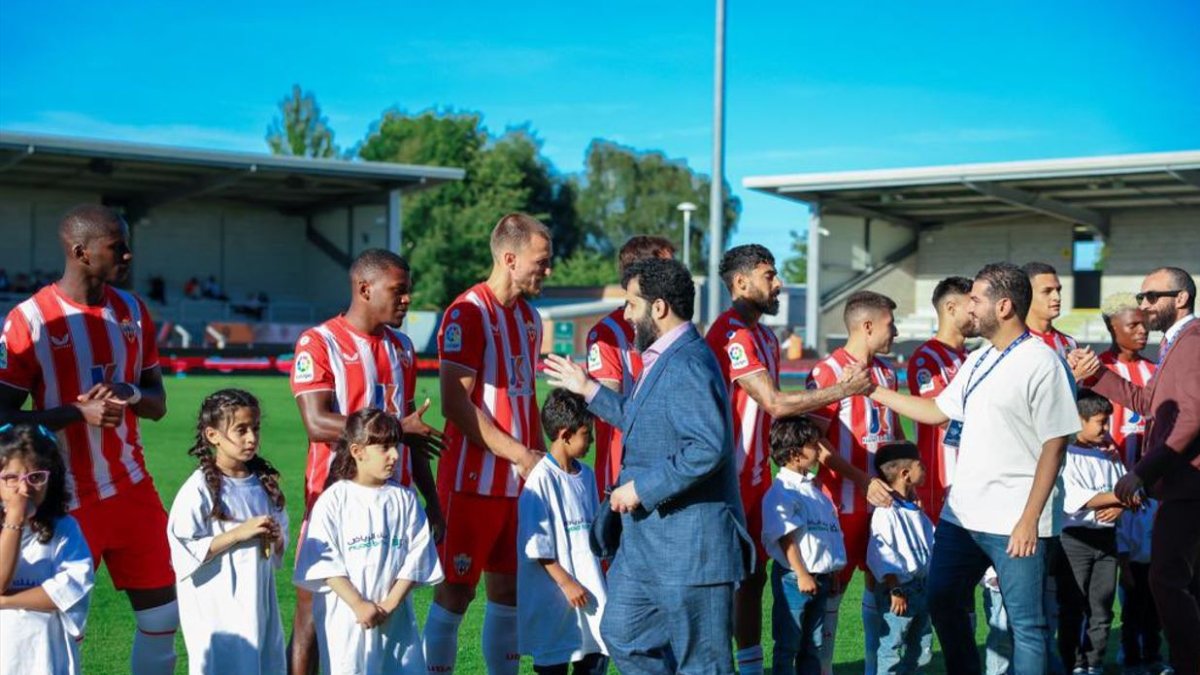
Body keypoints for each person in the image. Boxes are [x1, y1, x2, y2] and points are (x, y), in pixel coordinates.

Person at [867, 262, 1080, 674]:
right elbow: (935, 410)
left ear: (1003, 306)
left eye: (977, 299)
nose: (969, 306)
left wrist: (1029, 519)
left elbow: (1055, 446)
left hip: (1015, 520)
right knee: (943, 599)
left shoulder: (1041, 361)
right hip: (962, 516)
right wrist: (873, 389)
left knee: (1027, 626)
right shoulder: (980, 359)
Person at [544, 257, 753, 674]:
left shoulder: (691, 361)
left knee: (704, 665)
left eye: (631, 304)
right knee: (622, 634)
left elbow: (708, 448)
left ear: (658, 308)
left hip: (691, 548)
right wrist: (588, 389)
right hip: (647, 546)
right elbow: (645, 423)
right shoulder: (662, 356)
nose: (625, 313)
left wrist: (640, 489)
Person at [0, 204, 177, 674]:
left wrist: (130, 390)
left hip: (131, 489)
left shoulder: (133, 311)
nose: (128, 254)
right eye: (116, 246)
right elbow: (1, 416)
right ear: (81, 252)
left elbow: (158, 403)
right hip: (62, 501)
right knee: (60, 629)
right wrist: (77, 412)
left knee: (163, 618)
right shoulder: (29, 320)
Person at [706, 244, 879, 675]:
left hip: (761, 478)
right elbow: (775, 403)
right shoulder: (729, 333)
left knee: (755, 578)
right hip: (723, 479)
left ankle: (751, 667)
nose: (778, 282)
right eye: (769, 275)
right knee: (719, 583)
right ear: (741, 283)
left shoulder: (765, 336)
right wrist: (842, 391)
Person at [289, 249, 442, 675]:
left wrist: (432, 501)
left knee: (387, 614)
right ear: (364, 288)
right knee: (311, 621)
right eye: (398, 290)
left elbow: (412, 435)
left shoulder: (403, 349)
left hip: (394, 505)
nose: (407, 299)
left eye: (408, 290)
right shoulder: (318, 342)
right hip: (332, 502)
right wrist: (397, 426)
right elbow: (316, 421)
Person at [425, 213, 552, 675]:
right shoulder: (467, 313)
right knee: (457, 591)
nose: (548, 270)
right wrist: (521, 454)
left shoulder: (529, 317)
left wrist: (544, 462)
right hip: (471, 481)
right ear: (510, 258)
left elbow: (525, 398)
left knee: (510, 591)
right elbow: (454, 404)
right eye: (542, 261)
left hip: (518, 485)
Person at [1072, 266, 1200, 675]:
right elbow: (1149, 402)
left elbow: (1191, 418)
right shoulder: (1177, 343)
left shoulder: (1193, 342)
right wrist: (1095, 376)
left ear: (1180, 298)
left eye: (1151, 297)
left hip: (1187, 485)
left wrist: (1143, 472)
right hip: (1182, 485)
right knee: (1180, 582)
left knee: (1167, 581)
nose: (1143, 306)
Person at [294, 409, 444, 674]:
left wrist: (390, 603)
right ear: (357, 451)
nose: (395, 456)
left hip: (396, 620)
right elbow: (324, 563)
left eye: (396, 446)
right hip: (347, 620)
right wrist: (358, 604)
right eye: (385, 448)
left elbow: (417, 557)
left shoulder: (405, 499)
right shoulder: (333, 500)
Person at [805, 289, 905, 673]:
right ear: (867, 326)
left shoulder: (886, 374)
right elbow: (816, 444)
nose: (894, 332)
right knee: (833, 592)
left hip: (881, 504)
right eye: (889, 325)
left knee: (883, 586)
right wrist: (862, 479)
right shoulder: (827, 372)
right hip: (840, 504)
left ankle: (875, 667)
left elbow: (893, 435)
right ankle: (824, 667)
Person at [167, 389, 288, 674]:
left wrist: (275, 537)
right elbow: (183, 549)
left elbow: (281, 539)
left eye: (255, 428)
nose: (251, 438)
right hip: (217, 605)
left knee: (263, 661)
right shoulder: (198, 488)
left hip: (258, 600)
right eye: (241, 430)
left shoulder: (264, 484)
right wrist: (237, 534)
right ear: (213, 435)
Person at [517, 389, 608, 675]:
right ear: (565, 435)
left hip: (590, 592)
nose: (591, 441)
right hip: (554, 599)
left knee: (595, 655)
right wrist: (566, 583)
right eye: (586, 433)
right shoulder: (540, 480)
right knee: (554, 659)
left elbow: (593, 531)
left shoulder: (587, 475)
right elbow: (536, 547)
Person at [0, 424, 94, 675]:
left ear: (51, 480)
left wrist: (6, 601)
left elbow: (69, 590)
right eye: (10, 478)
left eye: (36, 477)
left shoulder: (64, 528)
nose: (24, 488)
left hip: (45, 654)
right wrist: (14, 522)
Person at [585, 235, 674, 497]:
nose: (676, 274)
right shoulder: (607, 335)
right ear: (640, 276)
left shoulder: (674, 329)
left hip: (669, 477)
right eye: (668, 268)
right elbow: (606, 408)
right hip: (620, 482)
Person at [761, 415, 847, 675]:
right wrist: (801, 573)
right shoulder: (783, 491)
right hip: (795, 579)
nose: (819, 450)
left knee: (814, 644)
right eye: (813, 445)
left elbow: (826, 535)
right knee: (789, 643)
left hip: (818, 578)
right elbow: (786, 538)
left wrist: (830, 572)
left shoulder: (813, 490)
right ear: (795, 454)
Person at [1057, 390, 1127, 674]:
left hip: (1106, 539)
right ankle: (1073, 664)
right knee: (1073, 607)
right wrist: (1120, 498)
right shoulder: (1064, 453)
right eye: (1100, 422)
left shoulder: (1108, 452)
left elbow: (1130, 489)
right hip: (1074, 540)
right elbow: (1077, 499)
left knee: (1102, 608)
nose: (1107, 429)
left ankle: (1094, 664)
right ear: (1079, 420)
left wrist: (1122, 504)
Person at [907, 276, 974, 522]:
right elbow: (941, 417)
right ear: (950, 308)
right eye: (971, 305)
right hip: (943, 480)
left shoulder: (970, 357)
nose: (977, 312)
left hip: (974, 474)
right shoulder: (927, 358)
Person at [866, 441, 934, 675]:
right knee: (893, 648)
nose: (924, 469)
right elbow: (881, 552)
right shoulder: (886, 511)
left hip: (922, 588)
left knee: (921, 647)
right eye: (920, 466)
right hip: (901, 591)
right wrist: (895, 589)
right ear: (905, 474)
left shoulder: (915, 509)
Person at [1096, 293, 1156, 468]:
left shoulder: (1157, 370)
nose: (1143, 330)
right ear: (1112, 327)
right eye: (1133, 325)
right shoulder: (1095, 371)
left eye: (1145, 324)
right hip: (1107, 471)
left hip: (1150, 475)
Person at [1116, 497, 1164, 675]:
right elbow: (1122, 538)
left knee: (1153, 616)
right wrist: (1125, 568)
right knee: (1132, 618)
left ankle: (1153, 658)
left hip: (1155, 567)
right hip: (1136, 567)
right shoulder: (1130, 506)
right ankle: (1131, 661)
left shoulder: (1155, 504)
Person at [1022, 262, 1078, 358]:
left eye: (1058, 290)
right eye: (1047, 291)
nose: (1057, 297)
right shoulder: (1016, 343)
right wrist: (1075, 374)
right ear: (1027, 295)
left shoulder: (1069, 342)